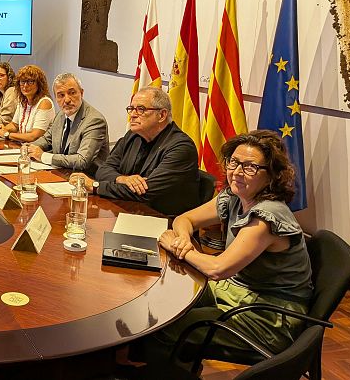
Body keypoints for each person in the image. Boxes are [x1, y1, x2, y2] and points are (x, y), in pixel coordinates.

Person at [131, 130, 313, 371]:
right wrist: (183, 240)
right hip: (236, 293)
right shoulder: (236, 196)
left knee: (163, 325)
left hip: (268, 317)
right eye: (234, 162)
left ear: (271, 175)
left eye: (250, 167)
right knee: (159, 302)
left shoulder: (267, 216)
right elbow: (185, 219)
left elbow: (218, 269)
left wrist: (178, 249)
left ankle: (167, 373)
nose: (236, 172)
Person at [69, 86, 200, 216]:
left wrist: (96, 186)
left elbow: (146, 192)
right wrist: (121, 179)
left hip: (163, 221)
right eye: (131, 109)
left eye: (141, 109)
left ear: (162, 115)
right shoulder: (133, 136)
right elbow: (103, 169)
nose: (132, 115)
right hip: (129, 211)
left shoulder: (181, 147)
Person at [28, 73, 109, 175]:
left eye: (72, 93)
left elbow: (82, 160)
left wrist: (43, 156)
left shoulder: (94, 121)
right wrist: (30, 147)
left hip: (86, 181)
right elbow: (47, 139)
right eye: (61, 95)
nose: (66, 100)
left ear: (81, 93)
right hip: (60, 173)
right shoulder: (61, 115)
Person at [0, 65, 55, 143]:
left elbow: (34, 136)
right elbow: (14, 125)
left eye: (30, 81)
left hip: (38, 150)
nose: (25, 85)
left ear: (39, 84)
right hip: (23, 147)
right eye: (22, 81)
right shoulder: (23, 101)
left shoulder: (44, 103)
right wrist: (3, 129)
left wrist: (7, 134)